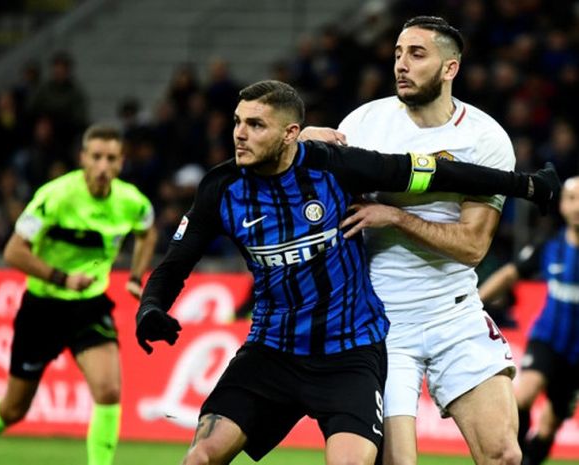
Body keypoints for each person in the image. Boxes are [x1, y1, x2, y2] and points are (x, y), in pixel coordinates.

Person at [134, 79, 558, 465]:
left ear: (289, 134)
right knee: (200, 457)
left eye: (256, 125)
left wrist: (525, 185)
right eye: (238, 122)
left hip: (349, 356)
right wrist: (151, 307)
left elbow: (434, 171)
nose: (240, 135)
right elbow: (174, 264)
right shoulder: (221, 188)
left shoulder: (334, 166)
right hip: (271, 350)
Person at [300, 16, 524, 465]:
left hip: (453, 313)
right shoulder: (364, 123)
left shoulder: (484, 138)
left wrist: (395, 216)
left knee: (503, 454)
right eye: (399, 54)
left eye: (417, 54)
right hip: (382, 323)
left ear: (450, 68)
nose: (402, 64)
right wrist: (299, 146)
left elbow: (473, 247)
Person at [0, 124, 158, 465]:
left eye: (111, 158)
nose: (103, 166)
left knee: (108, 391)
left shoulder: (131, 202)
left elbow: (148, 233)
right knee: (14, 408)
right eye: (96, 157)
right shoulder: (55, 196)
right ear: (83, 159)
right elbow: (13, 251)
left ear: (122, 163)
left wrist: (136, 276)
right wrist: (61, 277)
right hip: (42, 308)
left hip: (89, 306)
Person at [478, 176, 579, 465]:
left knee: (548, 427)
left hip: (577, 355)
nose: (577, 206)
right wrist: (475, 302)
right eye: (571, 199)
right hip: (547, 339)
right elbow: (510, 274)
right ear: (561, 204)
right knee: (523, 396)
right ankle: (514, 457)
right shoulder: (549, 245)